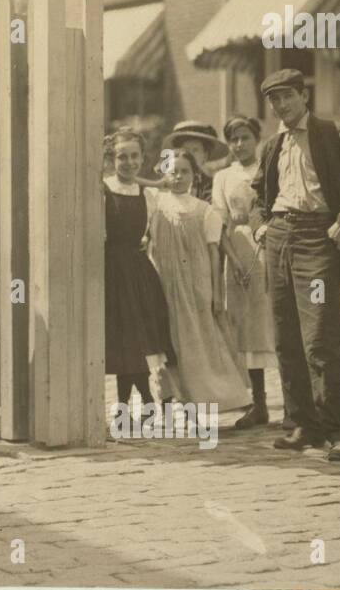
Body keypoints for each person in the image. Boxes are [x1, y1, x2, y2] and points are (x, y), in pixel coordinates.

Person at [250, 68, 340, 461]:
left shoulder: (332, 133)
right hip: (279, 240)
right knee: (285, 338)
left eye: (287, 96)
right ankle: (302, 426)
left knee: (320, 338)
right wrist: (261, 228)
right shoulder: (272, 145)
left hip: (318, 242)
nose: (281, 105)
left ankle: (338, 432)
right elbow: (259, 193)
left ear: (303, 95)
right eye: (274, 99)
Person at [148, 149, 252, 416]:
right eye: (173, 170)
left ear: (194, 176)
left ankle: (211, 396)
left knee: (199, 340)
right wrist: (157, 184)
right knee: (169, 340)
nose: (179, 177)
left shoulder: (205, 211)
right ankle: (174, 397)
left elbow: (213, 253)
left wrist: (217, 293)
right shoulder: (156, 203)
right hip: (164, 283)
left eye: (185, 171)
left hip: (196, 284)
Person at [211, 116, 283, 430]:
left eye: (245, 138)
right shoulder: (223, 176)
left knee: (269, 323)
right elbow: (220, 224)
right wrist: (235, 262)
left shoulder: (269, 168)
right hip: (237, 250)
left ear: (257, 138)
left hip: (267, 246)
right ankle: (258, 402)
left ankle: (296, 403)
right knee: (244, 326)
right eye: (234, 139)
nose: (239, 145)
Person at [101, 129, 175, 420]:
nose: (129, 162)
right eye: (122, 156)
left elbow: (152, 234)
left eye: (135, 156)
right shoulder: (103, 190)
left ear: (143, 158)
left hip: (138, 271)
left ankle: (139, 404)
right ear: (111, 159)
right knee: (122, 340)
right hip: (111, 271)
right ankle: (138, 402)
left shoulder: (149, 196)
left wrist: (152, 181)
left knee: (138, 340)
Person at [162, 121, 225, 203]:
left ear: (205, 156)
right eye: (186, 149)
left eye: (195, 150)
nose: (190, 154)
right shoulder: (167, 182)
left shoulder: (214, 187)